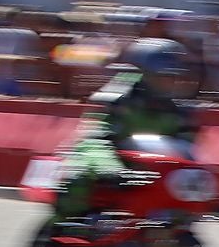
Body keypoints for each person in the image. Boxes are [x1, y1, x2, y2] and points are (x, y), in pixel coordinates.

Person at [52, 37, 196, 226]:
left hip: (147, 170)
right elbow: (97, 139)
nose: (170, 82)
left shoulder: (179, 112)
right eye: (163, 75)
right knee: (78, 177)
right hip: (108, 160)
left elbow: (187, 149)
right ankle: (66, 229)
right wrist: (112, 171)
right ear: (144, 73)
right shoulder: (116, 99)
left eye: (173, 76)